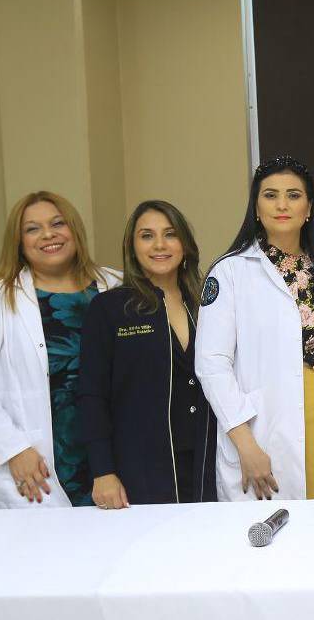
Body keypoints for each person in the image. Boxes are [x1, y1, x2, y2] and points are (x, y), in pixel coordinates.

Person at [195, 156, 314, 501]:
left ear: (309, 208)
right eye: (270, 195)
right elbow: (211, 364)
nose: (282, 205)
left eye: (293, 195)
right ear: (256, 208)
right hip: (262, 432)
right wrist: (245, 444)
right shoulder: (230, 272)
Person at [0, 191, 121, 508]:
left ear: (74, 229)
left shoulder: (117, 287)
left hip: (111, 462)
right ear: (19, 241)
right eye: (32, 229)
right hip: (34, 466)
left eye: (58, 223)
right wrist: (13, 449)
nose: (48, 235)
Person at [77, 200, 217, 508]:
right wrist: (103, 471)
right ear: (132, 246)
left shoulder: (206, 303)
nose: (159, 245)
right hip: (139, 468)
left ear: (185, 244)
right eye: (147, 236)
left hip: (208, 462)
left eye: (170, 234)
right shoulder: (110, 309)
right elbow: (91, 396)